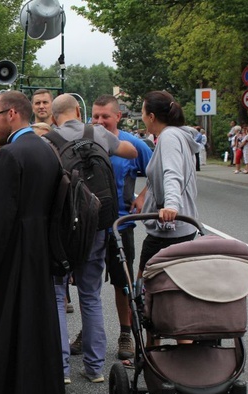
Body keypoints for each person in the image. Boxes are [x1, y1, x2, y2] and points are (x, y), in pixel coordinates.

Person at [0, 90, 65, 394]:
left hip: (14, 255)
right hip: (40, 250)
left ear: (11, 114)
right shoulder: (47, 150)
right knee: (39, 331)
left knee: (12, 334)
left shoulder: (10, 154)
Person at [49, 93, 137, 384]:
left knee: (59, 294)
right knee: (91, 295)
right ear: (78, 110)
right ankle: (95, 368)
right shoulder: (98, 132)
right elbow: (131, 152)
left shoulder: (49, 139)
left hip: (64, 227)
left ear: (53, 117)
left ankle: (60, 369)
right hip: (98, 223)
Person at [89, 95, 152, 361]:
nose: (100, 121)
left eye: (105, 116)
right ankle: (90, 332)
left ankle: (126, 332)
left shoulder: (133, 144)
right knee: (87, 283)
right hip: (89, 226)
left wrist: (142, 196)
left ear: (118, 117)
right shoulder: (85, 140)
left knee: (121, 283)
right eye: (95, 116)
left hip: (120, 223)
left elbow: (158, 173)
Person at [132, 91, 199, 314]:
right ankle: (182, 343)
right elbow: (159, 175)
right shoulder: (178, 134)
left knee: (145, 292)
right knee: (179, 294)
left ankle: (152, 344)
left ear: (151, 116)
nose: (142, 117)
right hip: (183, 227)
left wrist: (170, 205)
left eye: (142, 113)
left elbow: (172, 173)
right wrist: (144, 194)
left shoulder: (169, 137)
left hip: (169, 230)